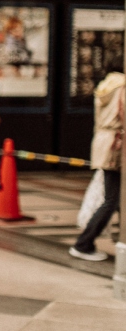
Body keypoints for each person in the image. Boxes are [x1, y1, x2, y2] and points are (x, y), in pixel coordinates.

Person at [70, 62, 125, 261]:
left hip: (103, 143)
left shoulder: (106, 86)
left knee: (117, 198)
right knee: (111, 200)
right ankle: (83, 243)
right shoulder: (123, 87)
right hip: (115, 148)